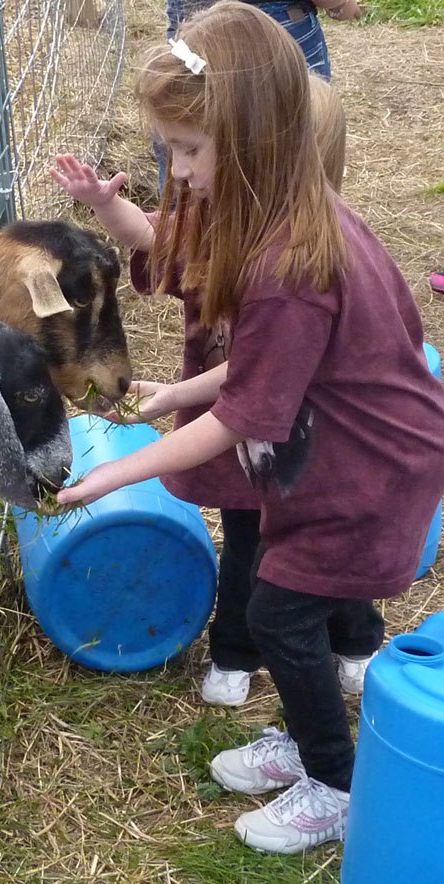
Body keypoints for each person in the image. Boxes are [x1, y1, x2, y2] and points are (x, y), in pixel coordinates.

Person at [51, 1, 444, 854]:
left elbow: (247, 415)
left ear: (257, 136)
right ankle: (308, 741)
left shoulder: (288, 262)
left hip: (367, 473)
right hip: (339, 452)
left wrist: (117, 473)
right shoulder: (273, 218)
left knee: (279, 617)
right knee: (282, 604)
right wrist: (178, 387)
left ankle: (335, 782)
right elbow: (282, 364)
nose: (178, 172)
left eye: (189, 151)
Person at [154, 0, 361, 191]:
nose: (178, 170)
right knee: (300, 142)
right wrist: (340, 5)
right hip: (280, 21)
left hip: (191, 21)